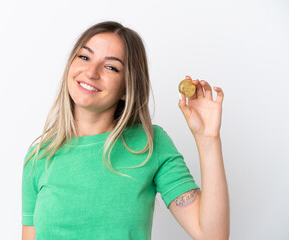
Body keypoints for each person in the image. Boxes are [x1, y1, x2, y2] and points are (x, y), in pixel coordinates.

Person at [21, 21, 229, 240]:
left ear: (126, 88)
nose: (92, 72)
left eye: (111, 67)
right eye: (84, 57)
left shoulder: (150, 144)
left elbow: (212, 236)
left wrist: (208, 139)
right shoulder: (38, 157)